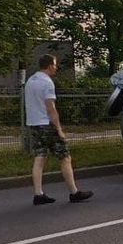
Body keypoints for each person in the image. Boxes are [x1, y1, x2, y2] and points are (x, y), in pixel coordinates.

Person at [24, 54, 93, 206]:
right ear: (49, 66)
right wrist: (59, 129)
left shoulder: (31, 80)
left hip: (33, 123)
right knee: (65, 157)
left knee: (39, 157)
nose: (56, 67)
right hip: (46, 124)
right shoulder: (47, 83)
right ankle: (74, 192)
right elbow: (51, 108)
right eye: (55, 65)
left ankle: (38, 194)